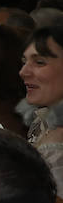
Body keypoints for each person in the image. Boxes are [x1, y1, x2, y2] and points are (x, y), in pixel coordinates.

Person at [17, 24, 63, 189]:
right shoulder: (43, 117)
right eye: (24, 61)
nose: (23, 72)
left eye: (39, 62)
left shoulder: (57, 149)